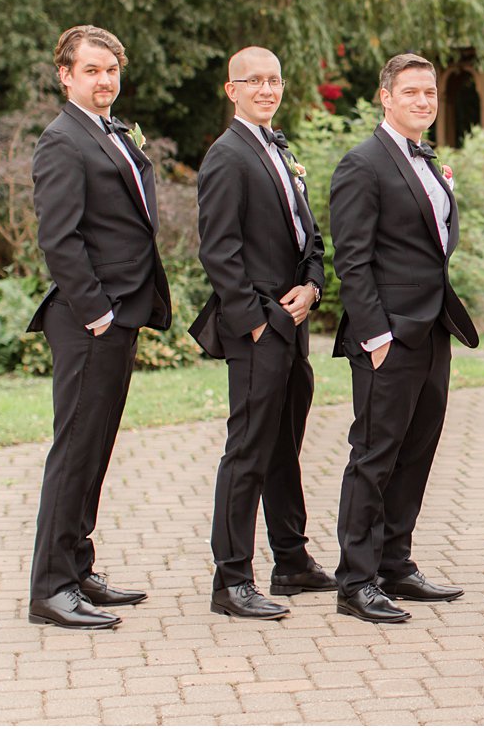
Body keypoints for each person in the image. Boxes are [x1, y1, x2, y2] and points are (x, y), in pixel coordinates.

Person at [27, 25, 171, 629]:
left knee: (97, 450)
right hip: (91, 319)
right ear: (66, 75)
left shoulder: (110, 132)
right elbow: (59, 240)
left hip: (120, 315)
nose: (104, 80)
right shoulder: (62, 141)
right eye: (91, 70)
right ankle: (50, 589)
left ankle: (79, 567)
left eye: (111, 70)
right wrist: (97, 313)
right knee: (75, 452)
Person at [326, 53, 479, 624]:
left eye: (430, 93)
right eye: (411, 92)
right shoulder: (361, 164)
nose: (423, 101)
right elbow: (353, 258)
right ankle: (356, 579)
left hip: (432, 327)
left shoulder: (428, 161)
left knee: (417, 450)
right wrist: (375, 334)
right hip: (388, 335)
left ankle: (396, 562)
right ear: (385, 97)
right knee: (374, 456)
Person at [191, 46, 330, 620]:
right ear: (232, 89)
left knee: (283, 450)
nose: (267, 89)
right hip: (258, 328)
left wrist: (314, 285)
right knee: (247, 451)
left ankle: (292, 562)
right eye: (255, 81)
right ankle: (232, 580)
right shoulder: (227, 157)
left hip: (293, 323)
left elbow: (309, 236)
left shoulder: (281, 150)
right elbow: (218, 252)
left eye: (274, 80)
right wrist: (255, 322)